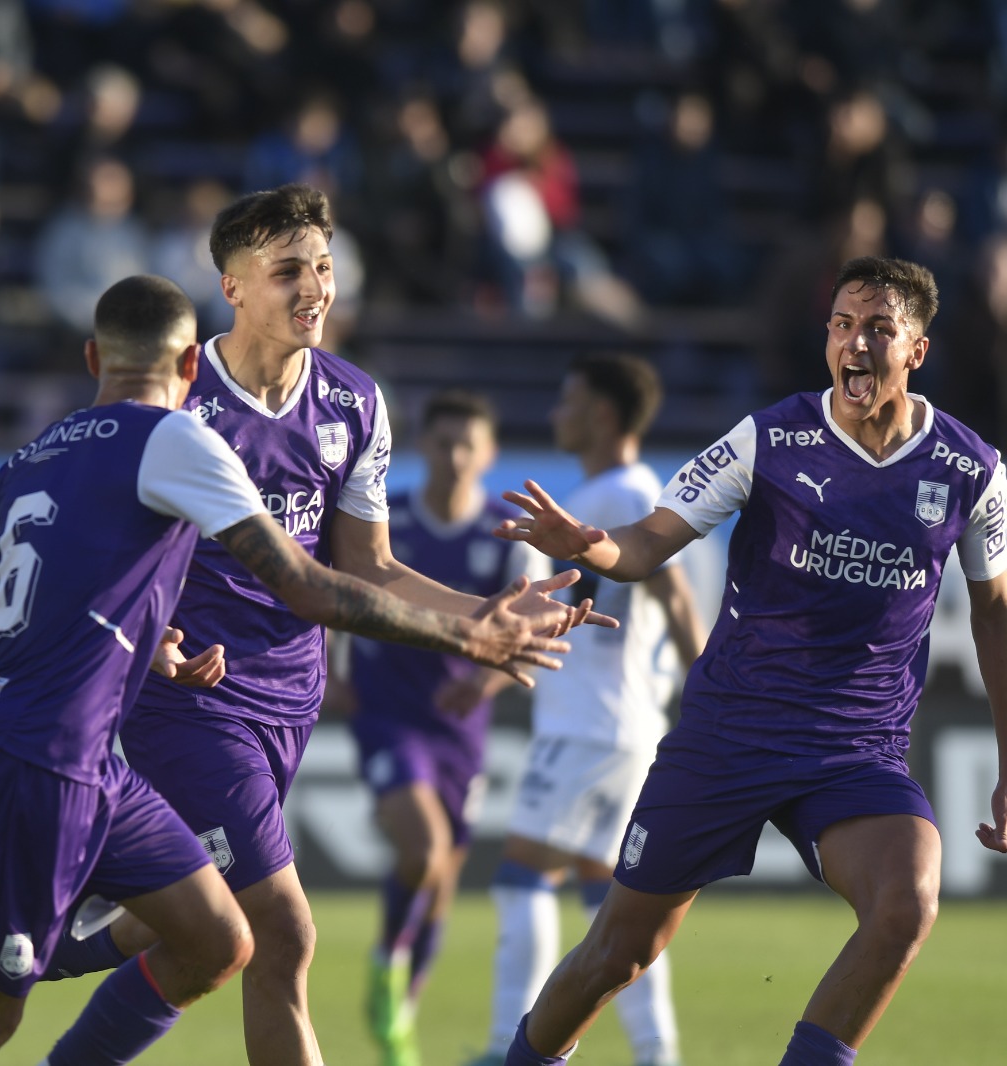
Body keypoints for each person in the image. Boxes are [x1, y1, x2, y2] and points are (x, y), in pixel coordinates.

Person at [0, 274, 584, 1066]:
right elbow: (309, 585)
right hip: (37, 764)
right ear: (192, 366)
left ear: (91, 358)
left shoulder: (34, 457)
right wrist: (469, 635)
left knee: (216, 939)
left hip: (79, 760)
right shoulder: (179, 440)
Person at [0, 183, 607, 1066]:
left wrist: (482, 611)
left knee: (188, 929)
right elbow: (118, 542)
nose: (315, 288)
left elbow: (365, 565)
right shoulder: (179, 399)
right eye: (288, 271)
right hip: (189, 701)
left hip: (290, 701)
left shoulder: (356, 403)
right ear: (234, 287)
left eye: (324, 268)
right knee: (283, 935)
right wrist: (158, 638)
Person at [491, 255, 1007, 1066]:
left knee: (907, 902)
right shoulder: (771, 438)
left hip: (853, 750)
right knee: (617, 955)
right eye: (842, 325)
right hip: (730, 732)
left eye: (879, 328)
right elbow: (650, 541)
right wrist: (591, 543)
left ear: (918, 350)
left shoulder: (972, 470)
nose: (856, 344)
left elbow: (996, 615)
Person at [470, 354, 706, 1066]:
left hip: (591, 726)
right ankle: (656, 1052)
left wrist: (706, 694)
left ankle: (501, 1044)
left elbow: (674, 597)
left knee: (522, 874)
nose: (555, 414)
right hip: (616, 725)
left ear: (601, 413)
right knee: (613, 908)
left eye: (568, 401)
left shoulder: (618, 493)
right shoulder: (633, 490)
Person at [337, 389, 552, 1066]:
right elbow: (319, 587)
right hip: (386, 714)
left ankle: (401, 1009)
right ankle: (384, 963)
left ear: (489, 454)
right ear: (422, 447)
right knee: (424, 850)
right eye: (443, 442)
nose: (455, 456)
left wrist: (483, 679)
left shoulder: (509, 539)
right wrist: (326, 669)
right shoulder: (384, 524)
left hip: (460, 729)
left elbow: (532, 638)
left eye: (469, 444)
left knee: (442, 881)